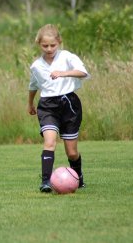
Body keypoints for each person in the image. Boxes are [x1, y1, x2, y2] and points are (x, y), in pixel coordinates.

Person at [27, 24, 90, 193]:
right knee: (49, 142)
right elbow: (33, 85)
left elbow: (83, 72)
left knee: (71, 153)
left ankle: (77, 177)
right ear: (39, 44)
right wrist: (30, 103)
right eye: (44, 45)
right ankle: (46, 181)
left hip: (69, 104)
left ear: (59, 42)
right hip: (47, 106)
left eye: (52, 45)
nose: (49, 49)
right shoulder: (36, 66)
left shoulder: (67, 57)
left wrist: (63, 73)